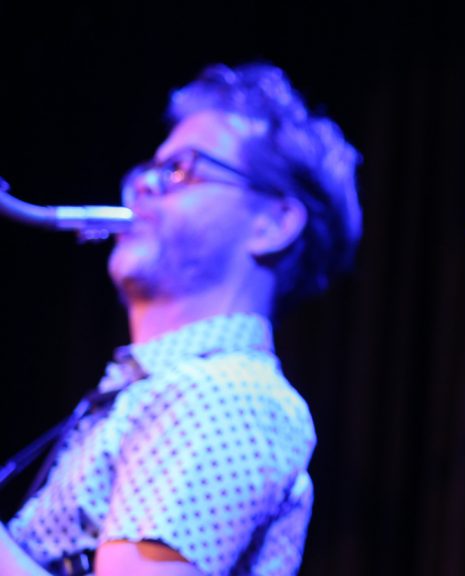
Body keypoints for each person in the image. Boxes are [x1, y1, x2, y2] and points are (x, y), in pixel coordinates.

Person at [0, 61, 362, 575]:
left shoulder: (225, 393)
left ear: (273, 223)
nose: (144, 188)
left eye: (182, 170)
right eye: (147, 172)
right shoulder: (165, 392)